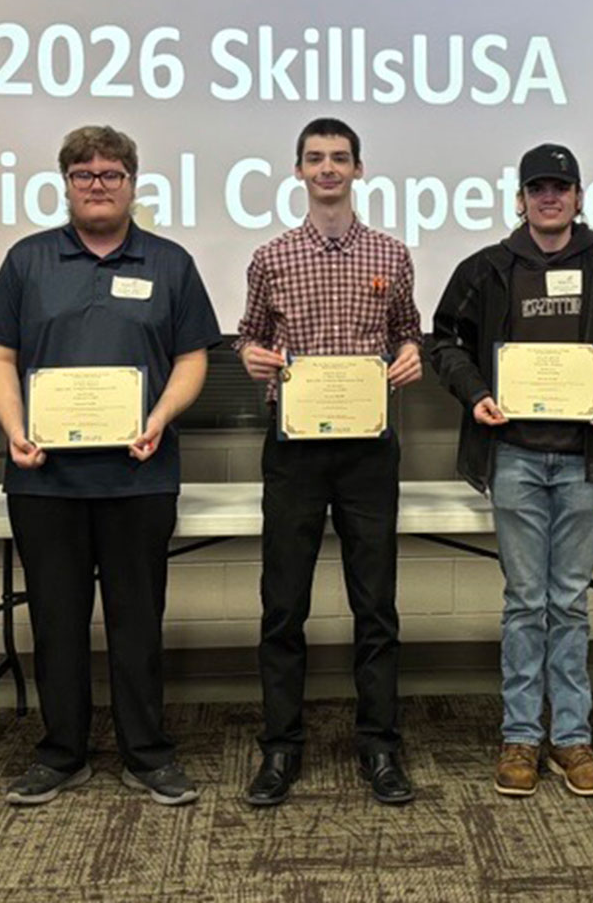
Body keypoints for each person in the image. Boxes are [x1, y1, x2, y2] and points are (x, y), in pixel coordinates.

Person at [0, 125, 220, 807]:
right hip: (44, 476)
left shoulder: (169, 263)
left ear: (132, 183)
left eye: (110, 174)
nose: (97, 185)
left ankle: (147, 753)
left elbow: (193, 356)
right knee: (55, 620)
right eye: (84, 175)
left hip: (139, 474)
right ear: (66, 184)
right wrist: (15, 428)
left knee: (137, 621)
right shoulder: (28, 260)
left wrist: (159, 418)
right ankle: (61, 754)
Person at [426, 142, 593, 798]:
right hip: (515, 455)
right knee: (527, 602)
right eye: (537, 189)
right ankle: (521, 736)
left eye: (561, 187)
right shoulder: (488, 269)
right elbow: (445, 341)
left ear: (579, 196)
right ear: (520, 198)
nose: (549, 198)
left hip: (585, 455)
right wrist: (475, 393)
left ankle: (573, 739)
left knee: (569, 602)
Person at [235, 117, 424, 807]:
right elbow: (250, 338)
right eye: (315, 158)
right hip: (294, 450)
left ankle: (379, 747)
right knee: (283, 605)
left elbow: (409, 334)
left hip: (369, 449)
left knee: (376, 605)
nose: (327, 169)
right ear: (298, 172)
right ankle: (281, 749)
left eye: (339, 158)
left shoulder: (393, 254)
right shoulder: (271, 257)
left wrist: (410, 356)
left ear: (358, 169)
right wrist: (250, 357)